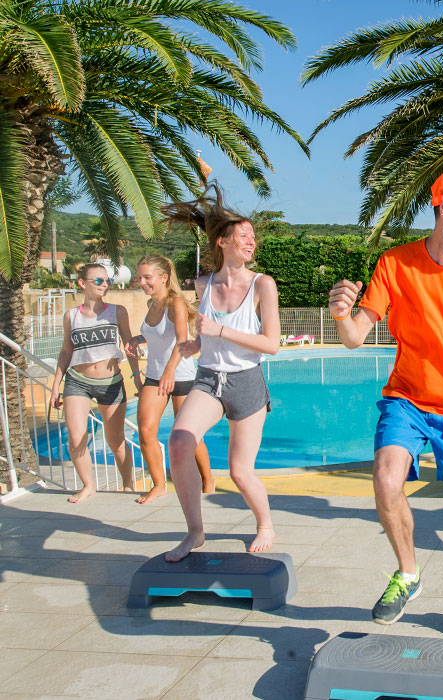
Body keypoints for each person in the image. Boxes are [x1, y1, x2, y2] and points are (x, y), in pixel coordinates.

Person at [328, 167, 443, 641]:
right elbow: (353, 338)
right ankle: (408, 574)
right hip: (406, 398)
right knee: (387, 478)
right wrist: (341, 314)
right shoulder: (396, 263)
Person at [160, 184, 281, 562]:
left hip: (247, 382)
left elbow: (271, 343)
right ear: (223, 241)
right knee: (179, 443)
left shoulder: (263, 284)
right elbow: (209, 333)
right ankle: (195, 531)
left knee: (241, 471)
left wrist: (219, 332)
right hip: (209, 378)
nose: (251, 241)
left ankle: (265, 523)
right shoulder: (203, 284)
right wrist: (199, 345)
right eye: (244, 235)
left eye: (253, 237)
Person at [125, 254, 213, 504]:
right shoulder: (151, 305)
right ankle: (159, 485)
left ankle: (208, 481)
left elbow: (182, 340)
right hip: (155, 375)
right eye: (139, 277)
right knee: (145, 431)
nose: (141, 282)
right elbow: (157, 336)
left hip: (181, 375)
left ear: (164, 278)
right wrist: (137, 339)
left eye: (147, 277)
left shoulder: (177, 304)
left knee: (188, 434)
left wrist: (169, 372)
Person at [50, 263, 141, 502]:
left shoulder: (117, 311)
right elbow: (65, 352)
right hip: (77, 381)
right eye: (98, 280)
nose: (105, 284)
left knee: (115, 440)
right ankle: (88, 485)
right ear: (82, 283)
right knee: (76, 435)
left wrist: (137, 379)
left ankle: (128, 484)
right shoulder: (72, 316)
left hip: (111, 383)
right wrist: (55, 387)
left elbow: (129, 346)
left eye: (107, 280)